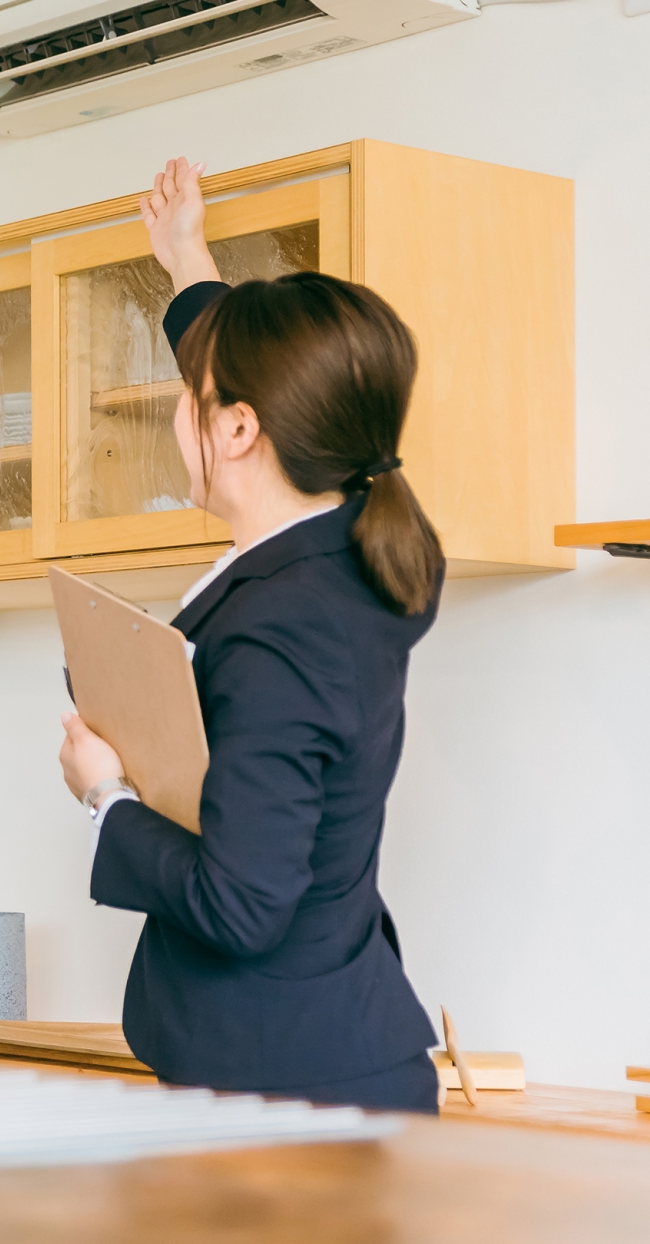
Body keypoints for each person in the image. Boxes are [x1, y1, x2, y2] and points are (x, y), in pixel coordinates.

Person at [56, 158, 443, 1112]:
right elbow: (263, 381)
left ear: (236, 430)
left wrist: (104, 797)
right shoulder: (337, 556)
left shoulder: (284, 630)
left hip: (293, 1095)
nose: (175, 413)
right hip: (306, 1060)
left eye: (190, 392)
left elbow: (242, 904)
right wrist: (186, 260)